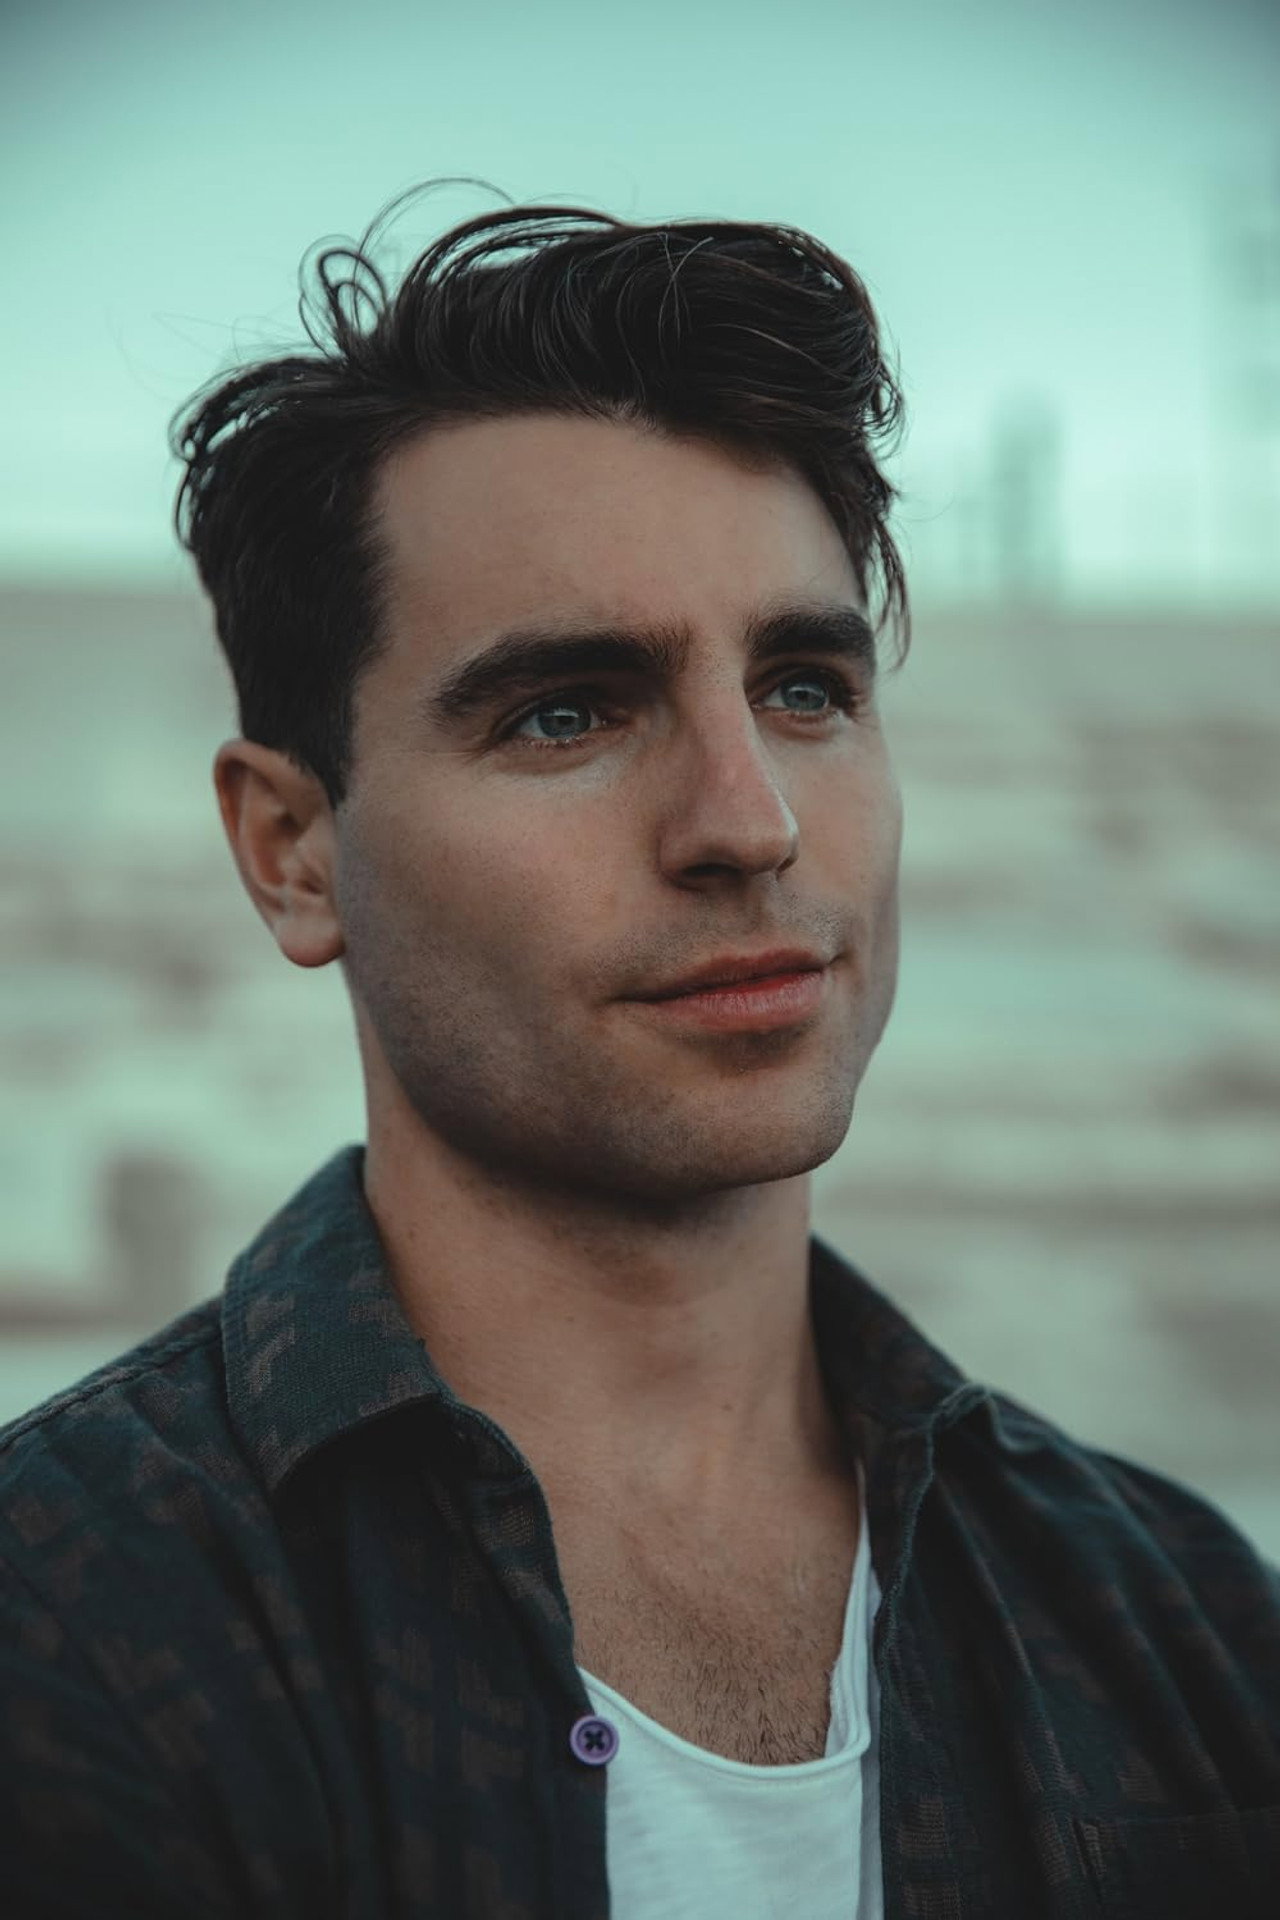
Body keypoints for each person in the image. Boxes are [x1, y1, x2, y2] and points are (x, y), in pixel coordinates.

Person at [1, 177, 1277, 1920]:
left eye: (806, 689)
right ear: (292, 852)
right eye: (566, 712)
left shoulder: (1182, 1623)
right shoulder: (69, 1625)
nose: (749, 824)